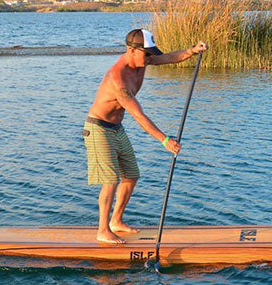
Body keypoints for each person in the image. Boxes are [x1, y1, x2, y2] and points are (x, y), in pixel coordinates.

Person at [83, 28, 208, 244]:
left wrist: (191, 51)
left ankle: (116, 222)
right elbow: (139, 117)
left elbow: (167, 57)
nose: (150, 58)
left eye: (150, 54)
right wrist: (165, 140)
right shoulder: (117, 79)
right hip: (98, 129)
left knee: (131, 175)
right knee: (110, 180)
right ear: (131, 50)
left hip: (116, 128)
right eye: (146, 54)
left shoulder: (143, 61)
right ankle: (102, 230)